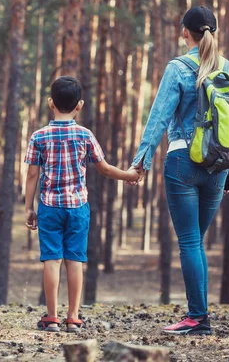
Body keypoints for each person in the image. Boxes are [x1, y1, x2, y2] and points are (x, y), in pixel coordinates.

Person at [131, 6, 229, 335]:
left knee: (191, 242)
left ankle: (197, 318)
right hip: (220, 166)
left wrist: (142, 161)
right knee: (196, 242)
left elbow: (159, 118)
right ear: (213, 33)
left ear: (185, 33)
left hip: (183, 162)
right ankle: (199, 315)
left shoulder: (178, 67)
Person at [24, 76, 140, 333]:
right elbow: (105, 169)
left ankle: (51, 317)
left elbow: (32, 175)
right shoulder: (85, 135)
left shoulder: (39, 136)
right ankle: (73, 317)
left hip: (49, 207)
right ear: (80, 105)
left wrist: (28, 207)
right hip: (78, 208)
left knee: (52, 260)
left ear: (50, 103)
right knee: (75, 259)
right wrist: (130, 175)